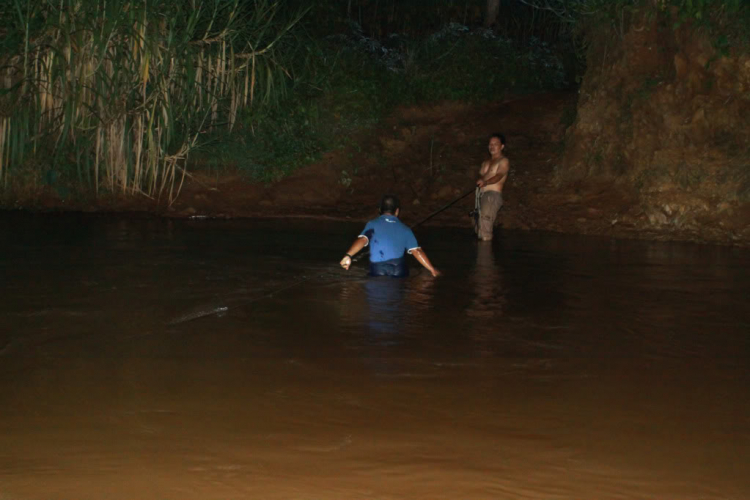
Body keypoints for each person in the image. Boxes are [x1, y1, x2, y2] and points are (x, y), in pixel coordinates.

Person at [340, 194, 440, 278]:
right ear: (397, 211)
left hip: (378, 270)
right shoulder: (406, 229)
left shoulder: (372, 224)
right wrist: (432, 269)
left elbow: (363, 239)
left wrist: (348, 255)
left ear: (380, 210)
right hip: (399, 270)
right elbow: (417, 251)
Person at [475, 133, 509, 241]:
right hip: (481, 195)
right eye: (490, 144)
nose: (492, 146)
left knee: (485, 224)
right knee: (479, 226)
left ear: (502, 146)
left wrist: (485, 182)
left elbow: (499, 176)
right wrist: (481, 180)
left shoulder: (503, 161)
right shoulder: (486, 162)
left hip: (492, 195)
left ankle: (485, 256)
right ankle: (482, 255)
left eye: (495, 144)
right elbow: (481, 175)